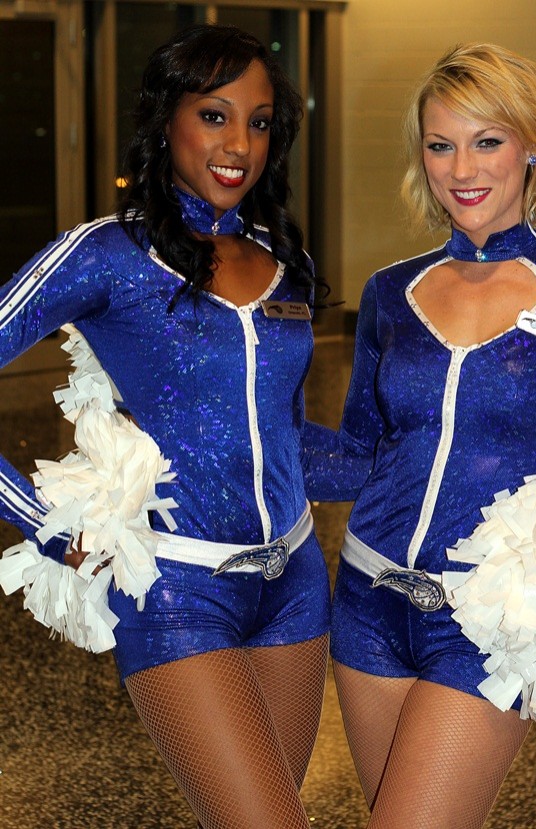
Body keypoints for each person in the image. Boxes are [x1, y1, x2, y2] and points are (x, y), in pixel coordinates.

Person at [0, 24, 331, 829]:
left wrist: (445, 463)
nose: (238, 145)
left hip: (295, 583)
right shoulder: (104, 254)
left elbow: (287, 440)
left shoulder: (283, 260)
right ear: (166, 120)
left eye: (258, 122)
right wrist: (46, 524)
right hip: (176, 587)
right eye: (214, 116)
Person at [304, 43, 536, 828]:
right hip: (366, 602)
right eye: (440, 143)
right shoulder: (392, 292)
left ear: (533, 147)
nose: (462, 167)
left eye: (487, 140)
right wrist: (233, 440)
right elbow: (361, 454)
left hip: (489, 619)